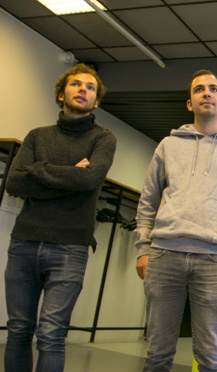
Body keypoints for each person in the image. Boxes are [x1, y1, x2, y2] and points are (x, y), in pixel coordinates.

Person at [134, 69, 217, 371]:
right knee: (156, 353)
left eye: (213, 89)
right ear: (189, 103)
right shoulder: (168, 146)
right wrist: (143, 248)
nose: (206, 93)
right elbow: (147, 202)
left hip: (214, 261)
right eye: (199, 89)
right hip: (163, 256)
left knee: (211, 357)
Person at [4, 63, 117, 372]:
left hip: (70, 247)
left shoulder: (103, 139)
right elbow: (14, 183)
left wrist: (39, 170)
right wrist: (69, 175)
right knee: (18, 330)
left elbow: (89, 181)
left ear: (96, 102)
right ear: (60, 95)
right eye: (76, 84)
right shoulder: (36, 136)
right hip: (24, 243)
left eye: (90, 87)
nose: (83, 89)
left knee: (51, 334)